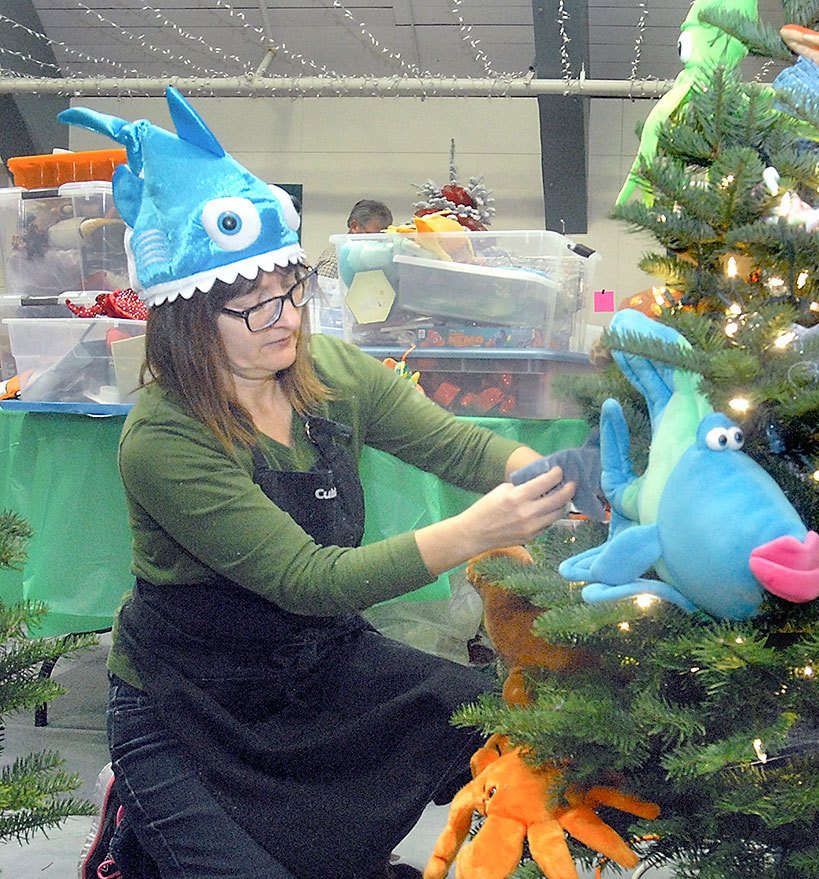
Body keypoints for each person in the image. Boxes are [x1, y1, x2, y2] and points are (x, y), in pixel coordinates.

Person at [60, 89, 592, 879]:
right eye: (251, 305)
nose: (285, 318)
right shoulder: (164, 437)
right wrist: (478, 530)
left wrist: (554, 476)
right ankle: (137, 823)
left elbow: (453, 445)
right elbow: (310, 580)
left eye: (293, 289)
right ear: (186, 319)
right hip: (190, 707)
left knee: (499, 725)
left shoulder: (328, 372)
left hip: (318, 664)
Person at [315, 198, 394, 279]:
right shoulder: (334, 261)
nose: (379, 245)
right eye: (374, 237)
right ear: (354, 226)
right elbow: (319, 291)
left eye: (383, 238)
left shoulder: (376, 262)